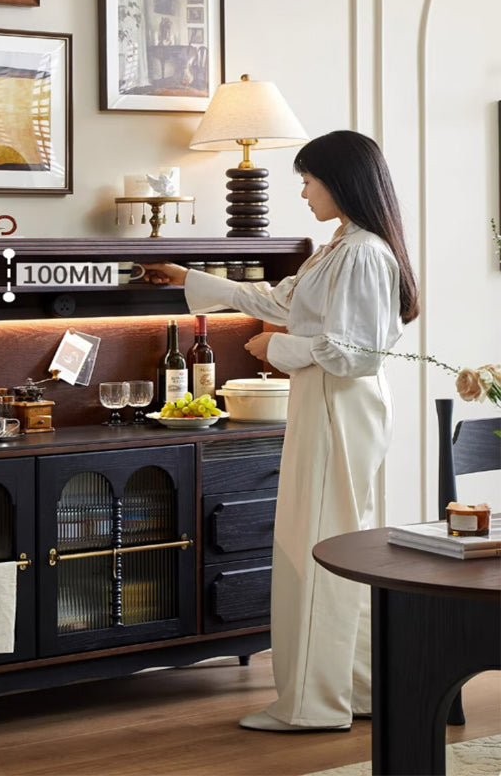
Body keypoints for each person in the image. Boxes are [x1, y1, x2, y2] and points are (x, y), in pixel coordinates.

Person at [144, 130, 419, 732]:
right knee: (332, 541)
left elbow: (358, 352)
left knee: (323, 544)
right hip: (327, 402)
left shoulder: (365, 252)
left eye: (309, 180)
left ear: (342, 182)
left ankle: (315, 705)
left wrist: (278, 347)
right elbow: (275, 297)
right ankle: (355, 688)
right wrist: (189, 277)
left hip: (341, 405)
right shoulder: (337, 247)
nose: (303, 192)